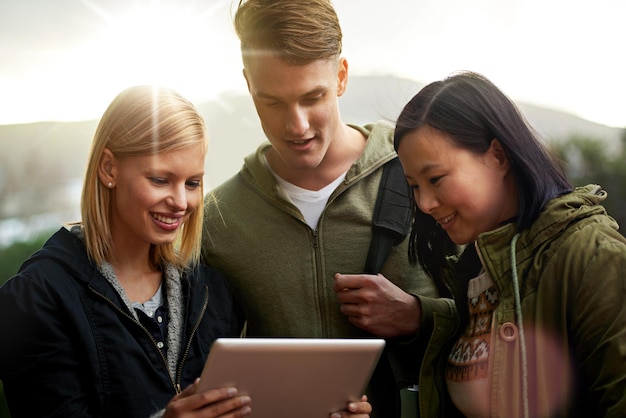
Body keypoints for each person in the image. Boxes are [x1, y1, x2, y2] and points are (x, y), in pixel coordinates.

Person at [0, 85, 372, 418]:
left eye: (193, 183)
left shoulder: (210, 290)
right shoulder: (36, 300)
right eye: (160, 179)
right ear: (109, 168)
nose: (181, 202)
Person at [201, 1, 438, 416]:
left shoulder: (425, 177)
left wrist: (419, 316)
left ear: (342, 76)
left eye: (313, 97)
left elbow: (502, 316)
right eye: (272, 102)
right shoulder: (217, 220)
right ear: (248, 84)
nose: (297, 126)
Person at [389, 71, 626, 417]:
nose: (424, 203)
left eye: (435, 178)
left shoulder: (592, 256)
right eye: (414, 186)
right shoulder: (474, 271)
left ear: (498, 156)